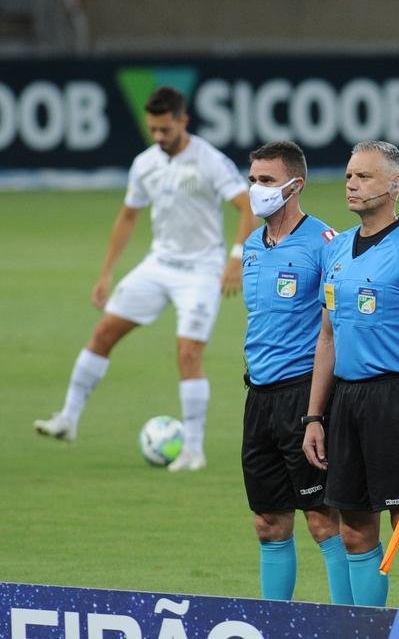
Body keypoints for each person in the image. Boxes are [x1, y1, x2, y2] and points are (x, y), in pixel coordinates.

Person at [34, 85, 254, 473]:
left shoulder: (209, 160)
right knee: (103, 333)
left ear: (183, 121)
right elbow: (128, 217)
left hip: (201, 270)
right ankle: (68, 418)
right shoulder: (145, 163)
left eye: (164, 130)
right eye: (152, 129)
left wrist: (235, 257)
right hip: (159, 265)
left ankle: (194, 450)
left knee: (188, 354)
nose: (157, 137)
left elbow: (247, 206)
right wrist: (106, 273)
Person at [301, 140, 399, 610]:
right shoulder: (337, 250)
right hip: (346, 402)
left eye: (363, 176)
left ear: (394, 184)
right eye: (348, 175)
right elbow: (327, 338)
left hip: (398, 402)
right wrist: (314, 416)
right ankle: (361, 627)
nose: (352, 184)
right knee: (353, 531)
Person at [239, 141, 352, 604]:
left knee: (324, 520)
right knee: (268, 523)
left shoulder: (326, 244)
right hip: (259, 396)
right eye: (252, 180)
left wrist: (318, 410)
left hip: (304, 395)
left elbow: (339, 326)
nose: (256, 190)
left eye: (266, 181)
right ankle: (273, 622)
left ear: (294, 185)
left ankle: (352, 624)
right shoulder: (251, 243)